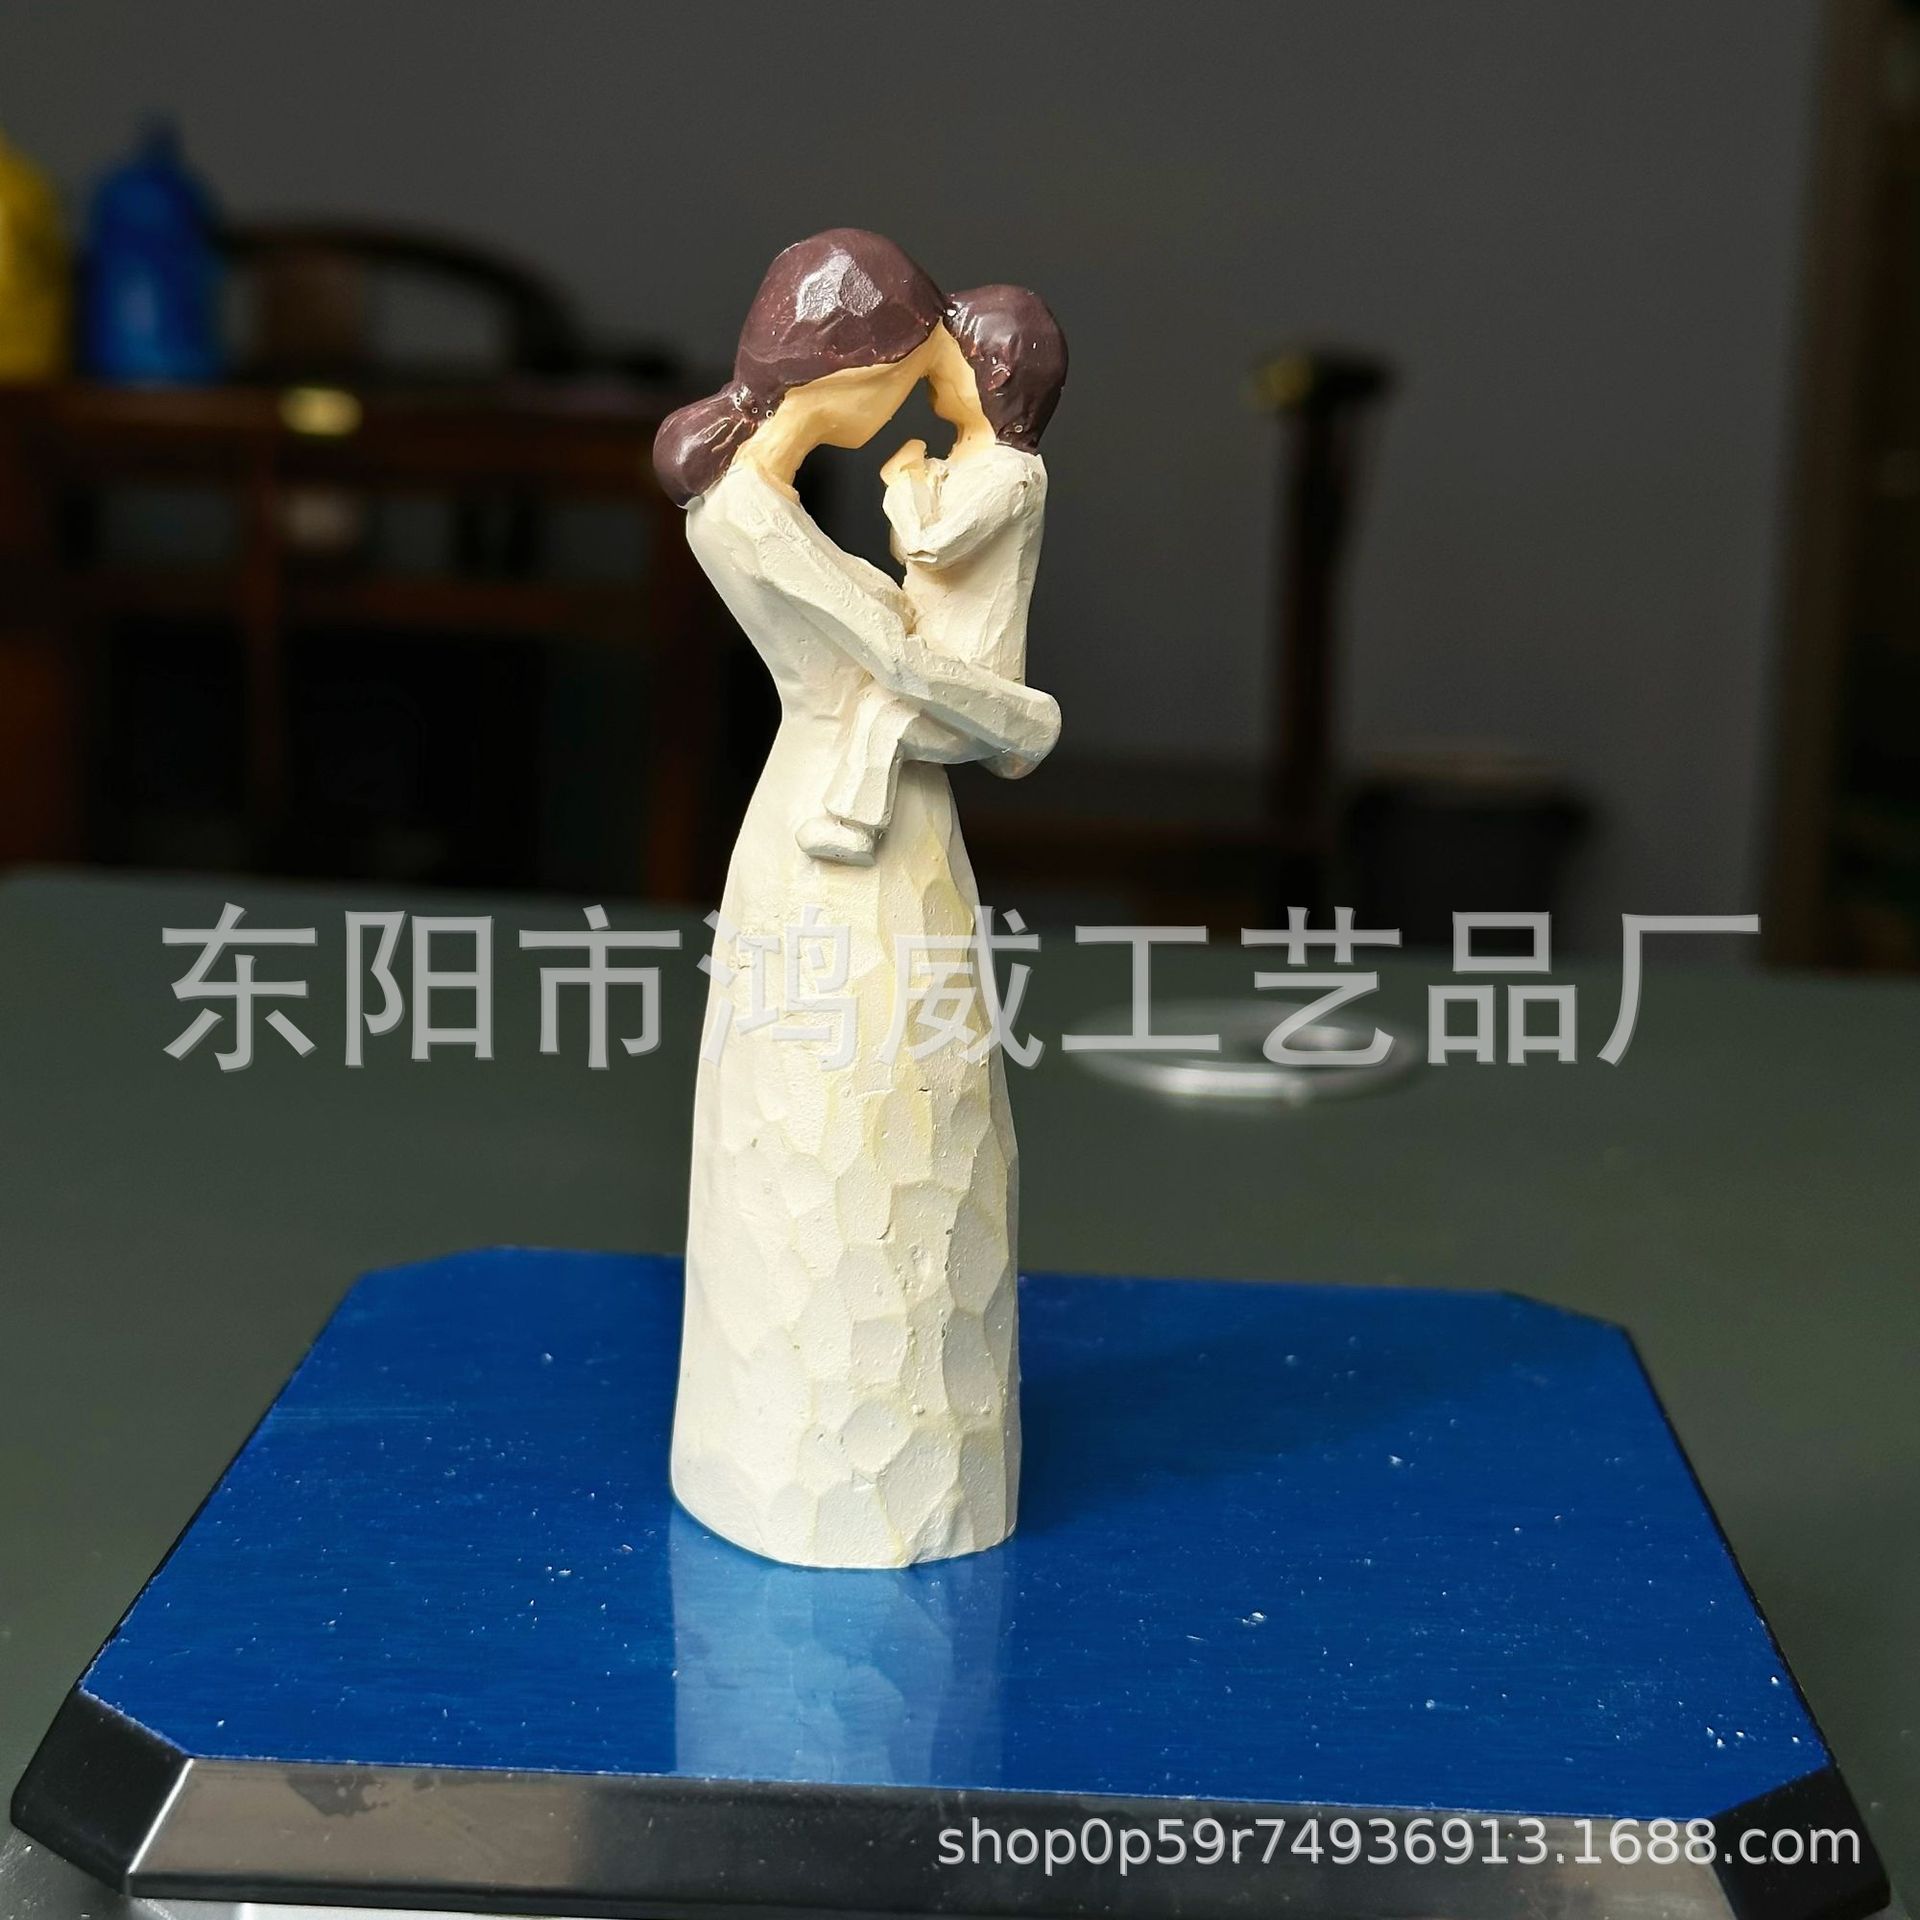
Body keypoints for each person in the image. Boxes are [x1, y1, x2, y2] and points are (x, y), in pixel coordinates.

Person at [652, 231, 1062, 1568]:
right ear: (852, 372)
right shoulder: (751, 519)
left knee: (899, 1129)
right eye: (908, 368)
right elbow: (893, 652)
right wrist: (1023, 720)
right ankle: (810, 1462)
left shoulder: (752, 503)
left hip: (859, 824)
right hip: (845, 845)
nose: (916, 399)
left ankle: (886, 1454)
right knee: (845, 1126)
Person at [797, 284, 1068, 866]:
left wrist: (904, 482)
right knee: (880, 707)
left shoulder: (1012, 476)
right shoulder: (964, 463)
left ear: (994, 377)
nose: (930, 372)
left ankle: (854, 829)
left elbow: (929, 545)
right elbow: (908, 547)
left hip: (971, 675)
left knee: (886, 719)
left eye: (948, 360)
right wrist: (919, 485)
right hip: (928, 664)